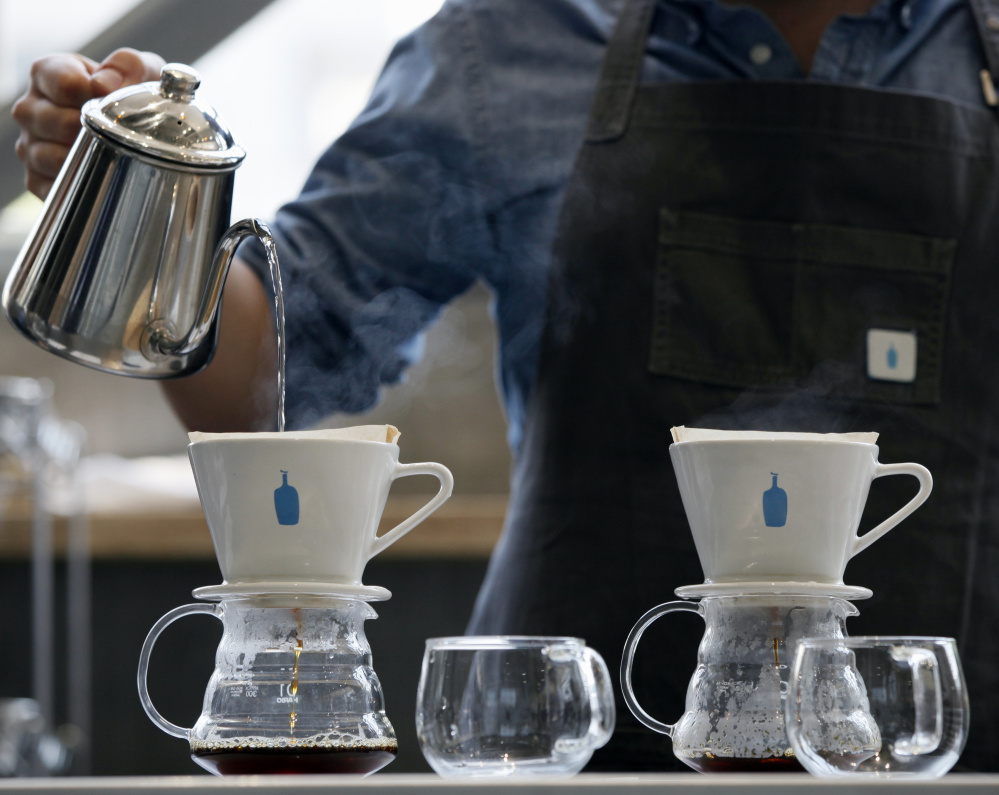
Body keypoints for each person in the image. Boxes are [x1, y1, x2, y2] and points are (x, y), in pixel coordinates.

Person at [13, 0, 999, 772]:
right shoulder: (509, 41)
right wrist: (138, 208)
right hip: (554, 750)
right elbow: (271, 379)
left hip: (953, 750)